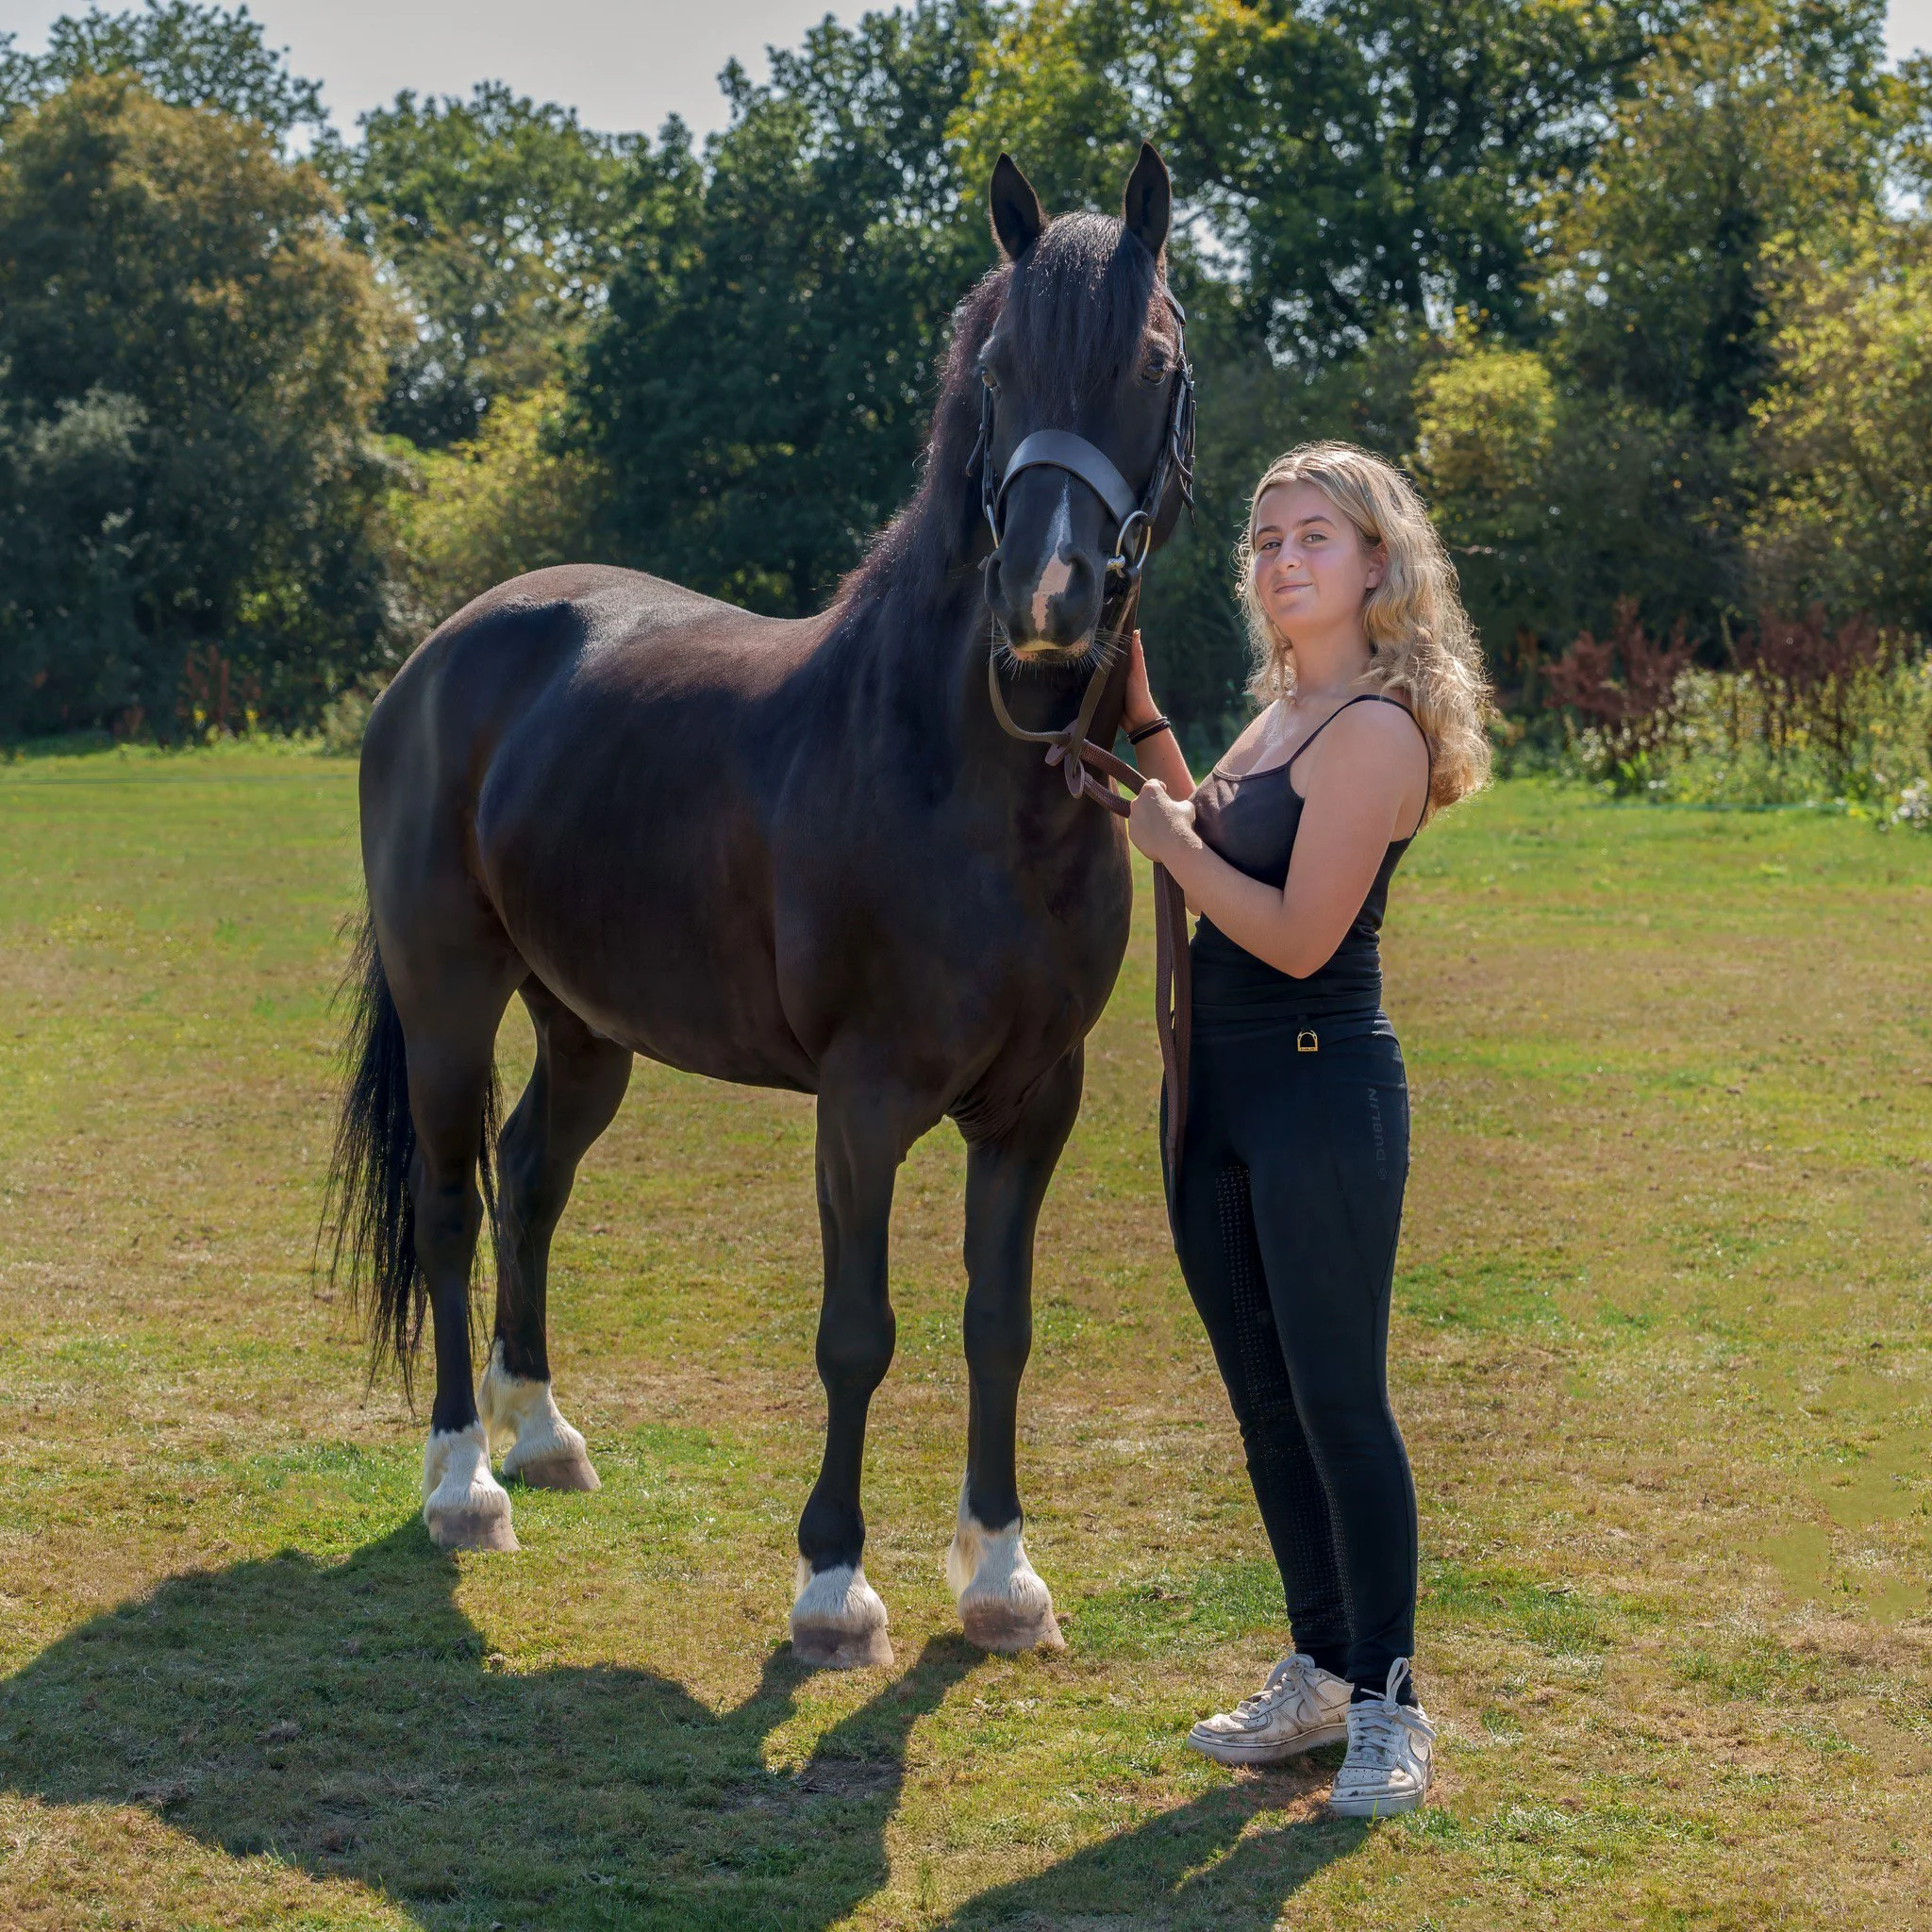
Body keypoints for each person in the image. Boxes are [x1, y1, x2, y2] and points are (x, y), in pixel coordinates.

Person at [1122, 441, 1491, 1818]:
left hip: (1321, 1087)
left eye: (1314, 539)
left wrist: (1167, 850)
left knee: (1339, 1403)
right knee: (1265, 1402)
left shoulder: (1374, 731)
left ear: (1379, 566)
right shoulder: (1280, 718)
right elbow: (1203, 818)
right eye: (1267, 538)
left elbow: (1288, 932)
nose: (1282, 559)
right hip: (1215, 1101)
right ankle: (1321, 1669)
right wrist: (1146, 717)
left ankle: (1390, 1701)